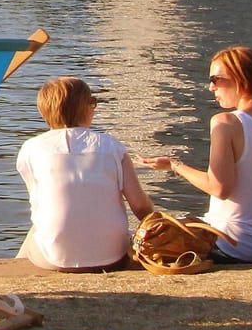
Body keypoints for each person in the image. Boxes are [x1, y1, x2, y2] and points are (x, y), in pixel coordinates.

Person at [141, 46, 252, 263]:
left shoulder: (225, 123)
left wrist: (175, 165)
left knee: (152, 235)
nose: (211, 87)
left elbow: (219, 188)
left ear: (239, 79)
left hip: (233, 247)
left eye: (216, 79)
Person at [16, 76, 152, 272]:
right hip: (113, 256)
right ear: (86, 108)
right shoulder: (112, 147)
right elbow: (140, 207)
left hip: (56, 259)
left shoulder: (31, 149)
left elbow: (38, 203)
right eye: (93, 103)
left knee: (36, 231)